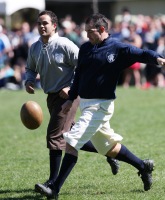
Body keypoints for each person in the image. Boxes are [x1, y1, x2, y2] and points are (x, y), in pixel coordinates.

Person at [47, 13, 165, 200]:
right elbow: (79, 75)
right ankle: (143, 166)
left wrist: (157, 59)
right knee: (108, 148)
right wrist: (71, 98)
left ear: (102, 29)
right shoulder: (85, 48)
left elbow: (140, 53)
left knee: (71, 142)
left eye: (89, 31)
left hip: (101, 106)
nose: (86, 35)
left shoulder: (117, 48)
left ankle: (54, 188)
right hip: (86, 105)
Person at [25, 10, 119, 199]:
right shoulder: (34, 48)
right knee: (71, 136)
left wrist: (70, 87)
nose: (41, 26)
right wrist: (28, 80)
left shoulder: (65, 45)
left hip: (68, 97)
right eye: (39, 23)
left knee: (54, 136)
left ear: (54, 26)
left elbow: (84, 67)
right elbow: (30, 68)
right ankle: (109, 153)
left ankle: (52, 183)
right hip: (51, 97)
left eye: (45, 23)